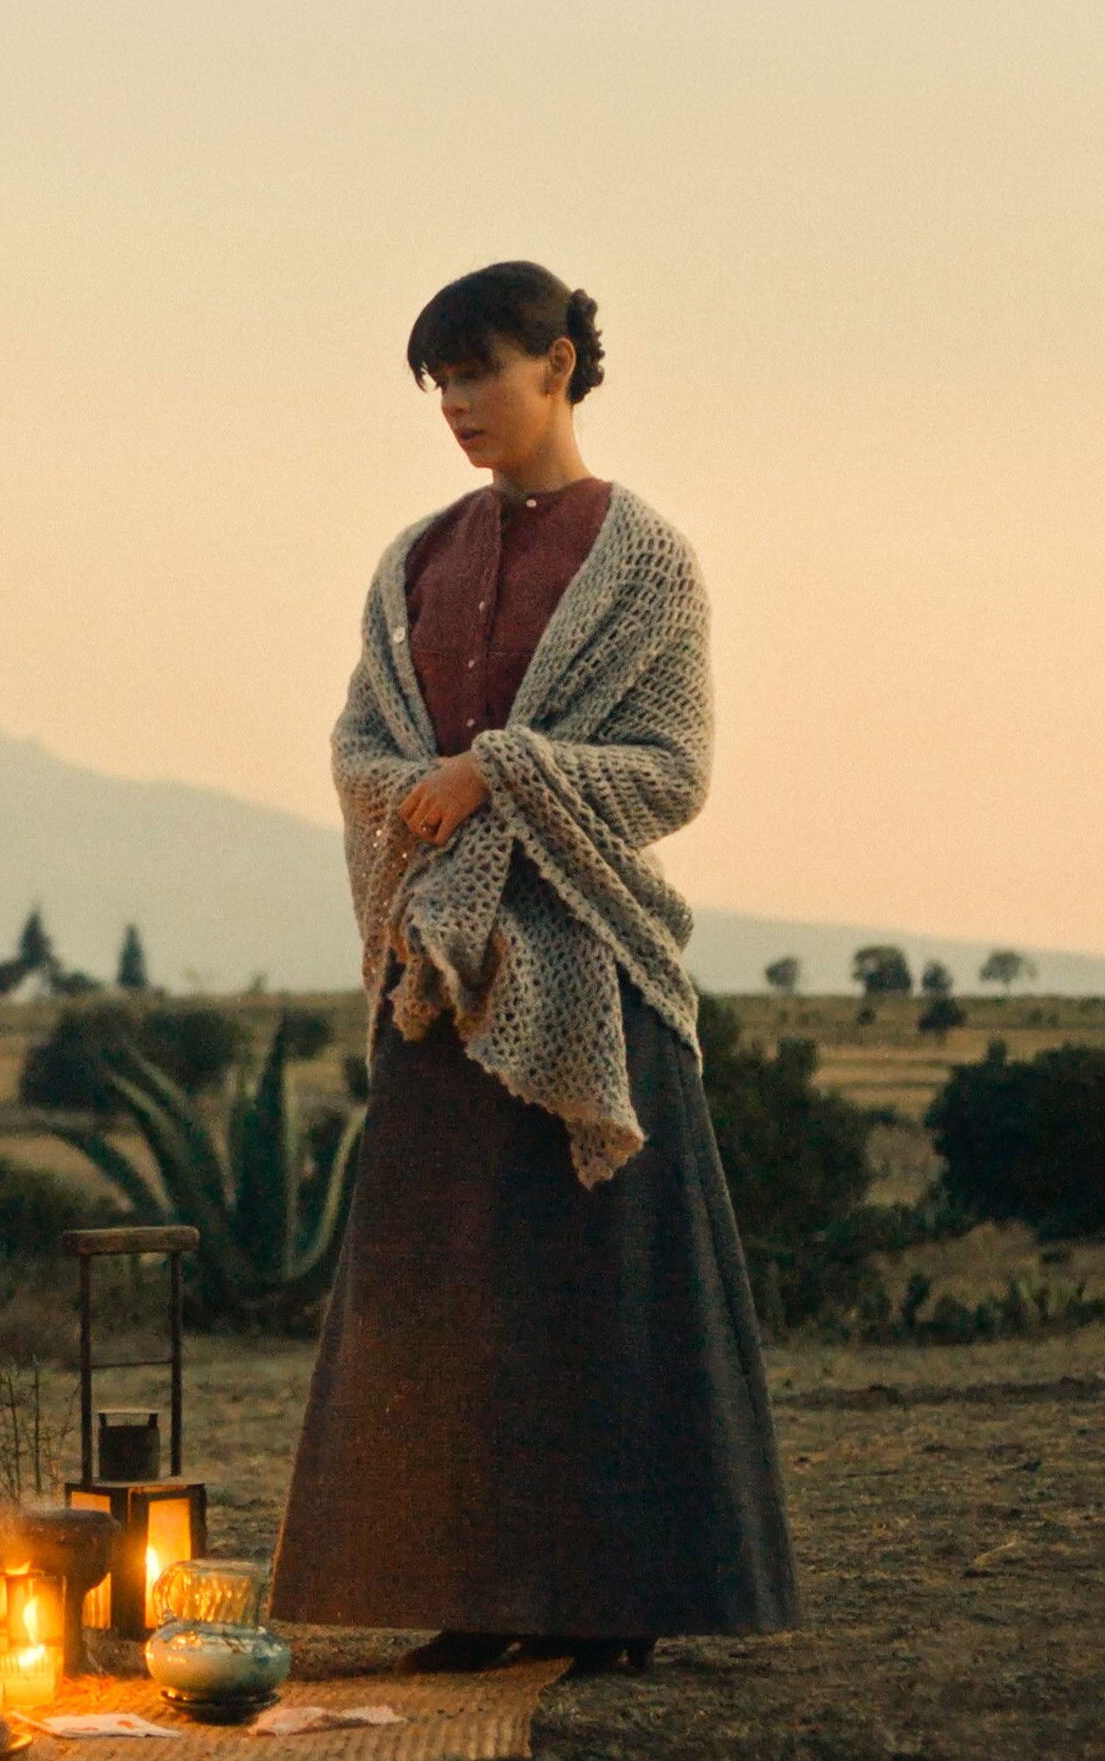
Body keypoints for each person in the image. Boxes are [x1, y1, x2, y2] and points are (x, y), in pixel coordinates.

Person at [268, 261, 799, 1676]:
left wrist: (498, 770)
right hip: (444, 972)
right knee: (449, 1301)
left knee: (598, 1297)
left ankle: (617, 1601)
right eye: (436, 381)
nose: (454, 404)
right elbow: (359, 748)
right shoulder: (412, 561)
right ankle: (472, 1588)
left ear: (559, 364)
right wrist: (418, 800)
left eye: (479, 373)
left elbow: (673, 773)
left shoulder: (646, 558)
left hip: (590, 968)